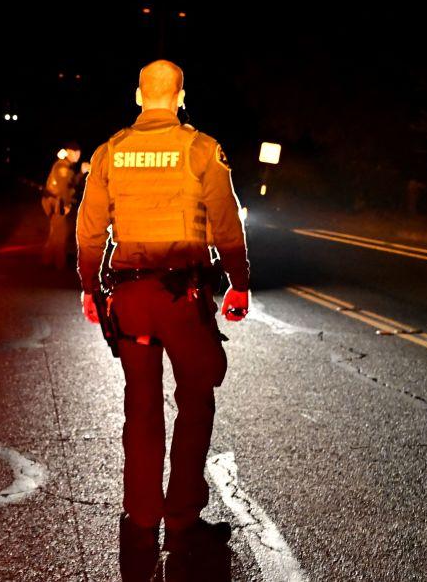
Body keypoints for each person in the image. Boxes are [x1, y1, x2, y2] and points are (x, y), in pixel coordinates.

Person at [76, 60, 250, 553]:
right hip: (183, 299)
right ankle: (181, 516)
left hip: (130, 299)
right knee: (195, 401)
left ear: (138, 96)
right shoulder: (201, 149)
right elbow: (224, 223)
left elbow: (90, 230)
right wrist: (238, 283)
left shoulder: (111, 151)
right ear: (179, 97)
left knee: (141, 404)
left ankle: (142, 511)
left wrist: (91, 287)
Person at [41, 143, 82, 269]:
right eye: (76, 153)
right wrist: (67, 205)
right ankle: (60, 264)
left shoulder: (67, 166)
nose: (78, 156)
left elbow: (71, 183)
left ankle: (48, 261)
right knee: (61, 233)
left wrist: (81, 172)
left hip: (54, 201)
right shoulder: (63, 167)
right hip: (56, 202)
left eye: (79, 153)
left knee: (56, 232)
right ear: (69, 152)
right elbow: (64, 189)